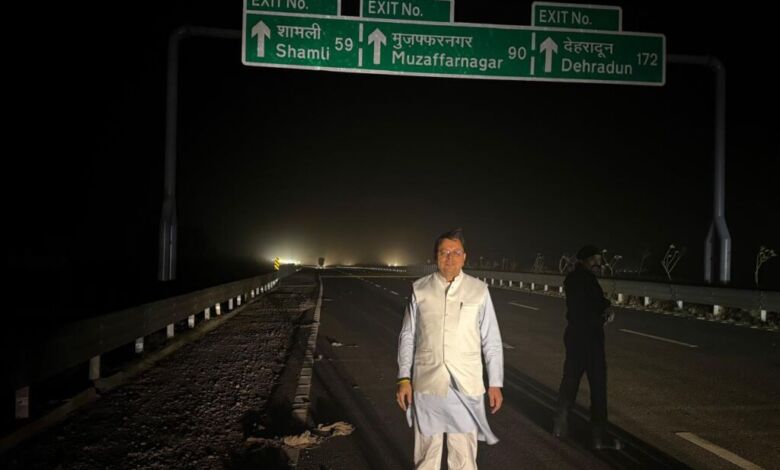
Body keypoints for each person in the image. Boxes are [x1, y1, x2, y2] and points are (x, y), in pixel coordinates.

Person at [396, 228, 504, 469]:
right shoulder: (420, 289)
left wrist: (495, 382)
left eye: (456, 252)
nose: (450, 258)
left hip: (466, 386)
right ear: (435, 256)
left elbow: (492, 340)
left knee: (463, 457)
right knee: (426, 457)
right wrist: (404, 378)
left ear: (464, 257)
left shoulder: (478, 290)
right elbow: (407, 335)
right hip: (428, 383)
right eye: (444, 252)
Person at [552, 244, 620, 449]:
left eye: (599, 260)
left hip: (574, 336)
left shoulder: (573, 279)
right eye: (594, 260)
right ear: (583, 260)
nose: (598, 263)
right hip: (589, 337)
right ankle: (599, 435)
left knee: (570, 381)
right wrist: (605, 313)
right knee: (597, 385)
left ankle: (560, 425)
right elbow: (590, 306)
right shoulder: (587, 280)